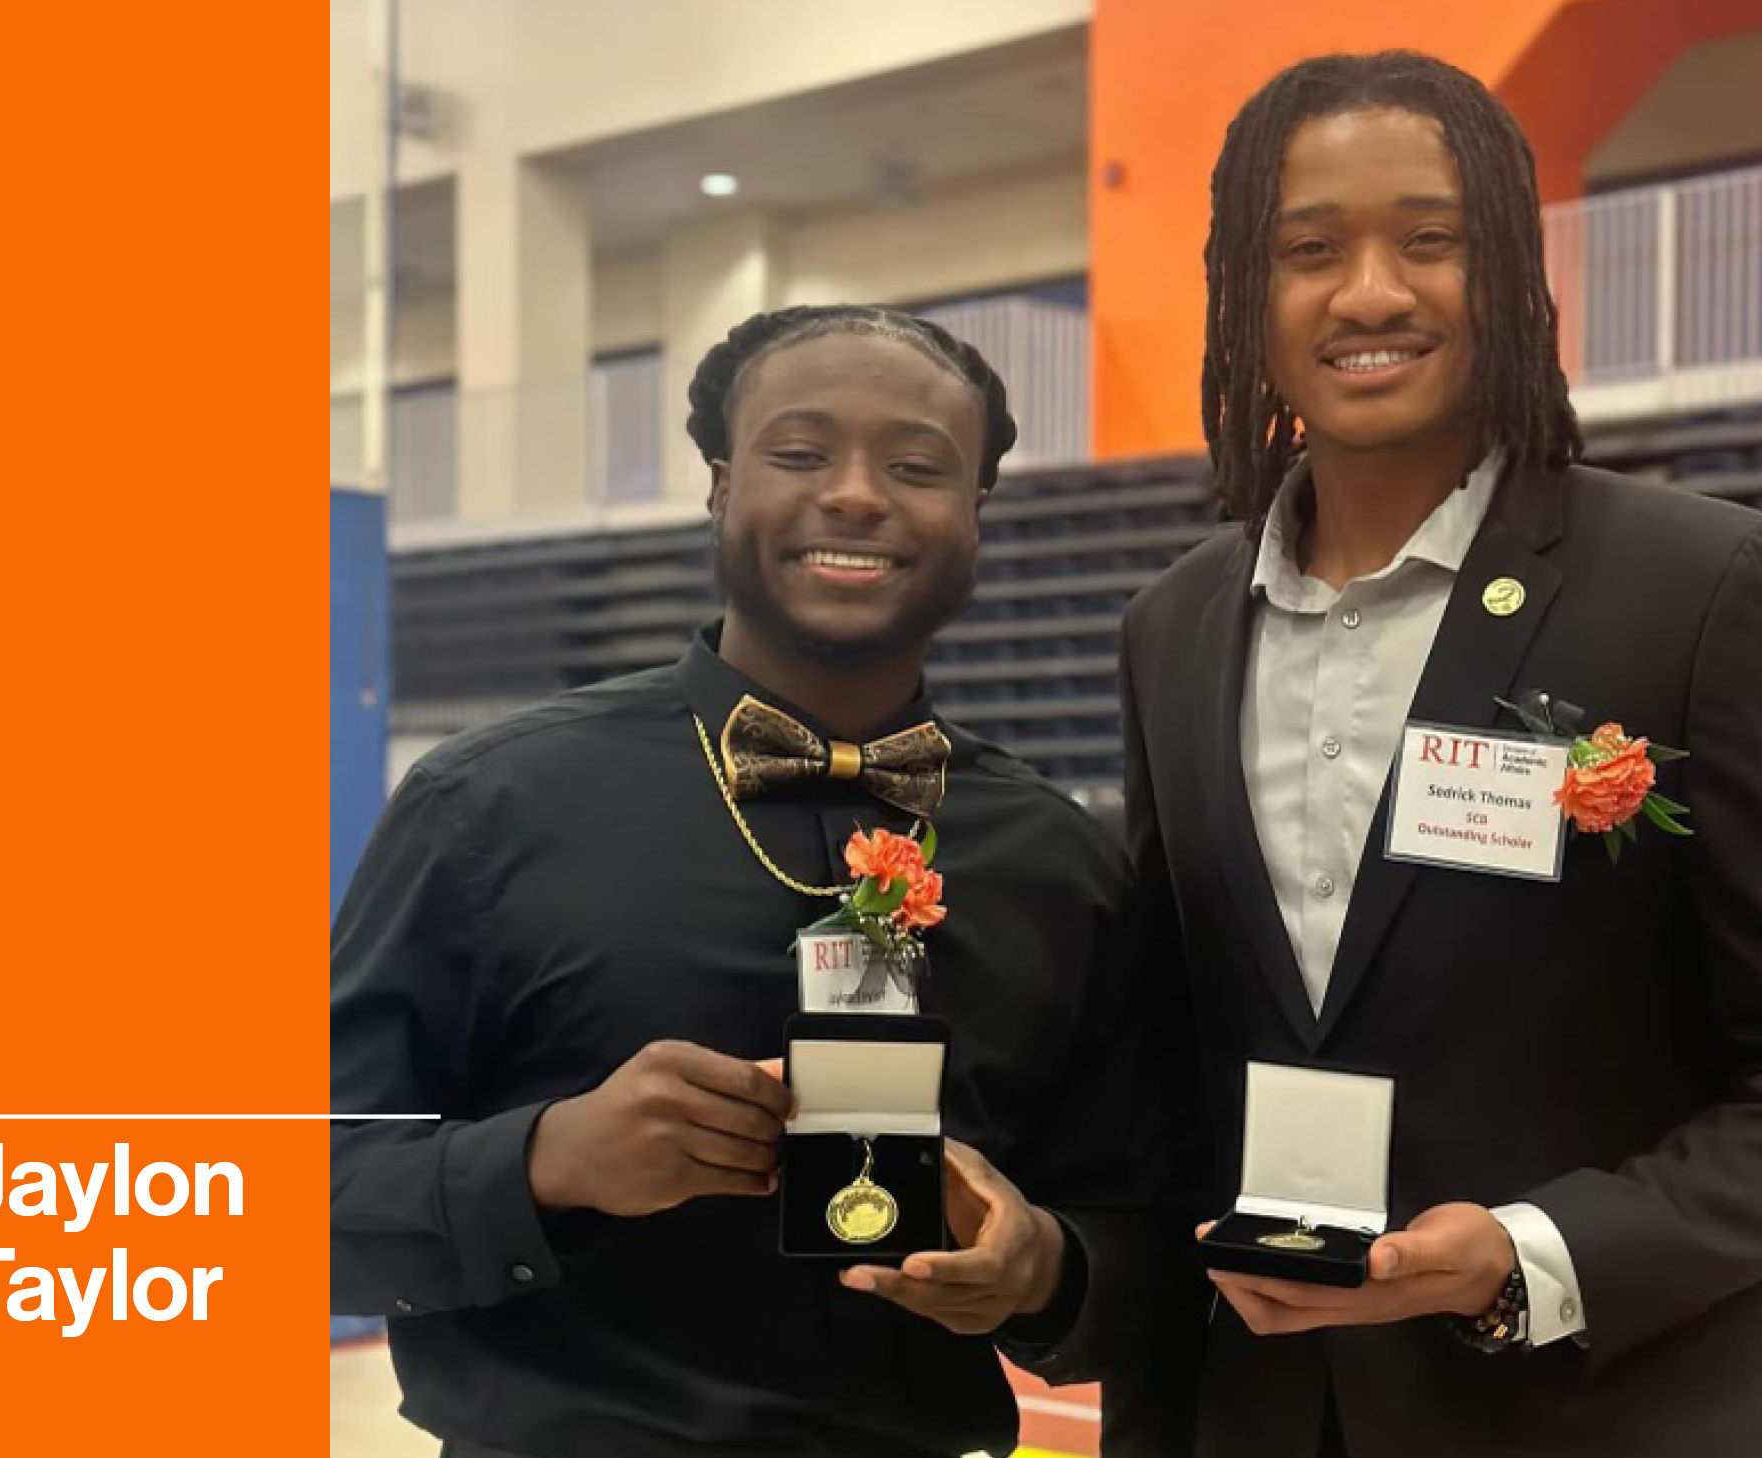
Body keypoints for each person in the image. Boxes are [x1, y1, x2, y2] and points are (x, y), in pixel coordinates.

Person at [1106, 51, 1762, 1457]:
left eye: (1428, 239)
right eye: (1308, 249)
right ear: (1245, 300)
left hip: (1615, 1415)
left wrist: (1524, 1254)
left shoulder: (1698, 586)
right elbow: (1174, 1056)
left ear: (1505, 271)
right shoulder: (1171, 625)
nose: (1370, 291)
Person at [331, 305, 1163, 1458]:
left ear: (977, 515)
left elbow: (1150, 1240)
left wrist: (1043, 1266)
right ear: (722, 489)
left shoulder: (1057, 860)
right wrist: (546, 1161)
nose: (858, 494)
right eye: (801, 452)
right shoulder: (489, 807)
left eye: (917, 465)